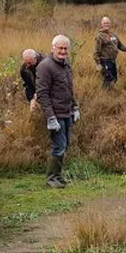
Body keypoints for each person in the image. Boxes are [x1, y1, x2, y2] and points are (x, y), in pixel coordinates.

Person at [36, 35, 79, 189]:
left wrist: (75, 107)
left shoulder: (65, 65)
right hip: (55, 114)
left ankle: (58, 176)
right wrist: (50, 117)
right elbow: (42, 94)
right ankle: (51, 178)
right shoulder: (45, 66)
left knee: (64, 146)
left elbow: (69, 89)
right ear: (53, 48)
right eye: (60, 48)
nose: (63, 51)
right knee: (59, 146)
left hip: (66, 112)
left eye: (65, 48)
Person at [92, 16, 126, 89]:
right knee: (108, 79)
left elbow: (120, 46)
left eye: (108, 23)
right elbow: (96, 52)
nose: (106, 24)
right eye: (105, 23)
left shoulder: (113, 35)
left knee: (114, 79)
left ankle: (109, 92)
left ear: (110, 24)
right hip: (105, 61)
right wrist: (98, 64)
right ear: (101, 24)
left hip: (113, 61)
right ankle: (105, 93)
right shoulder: (99, 37)